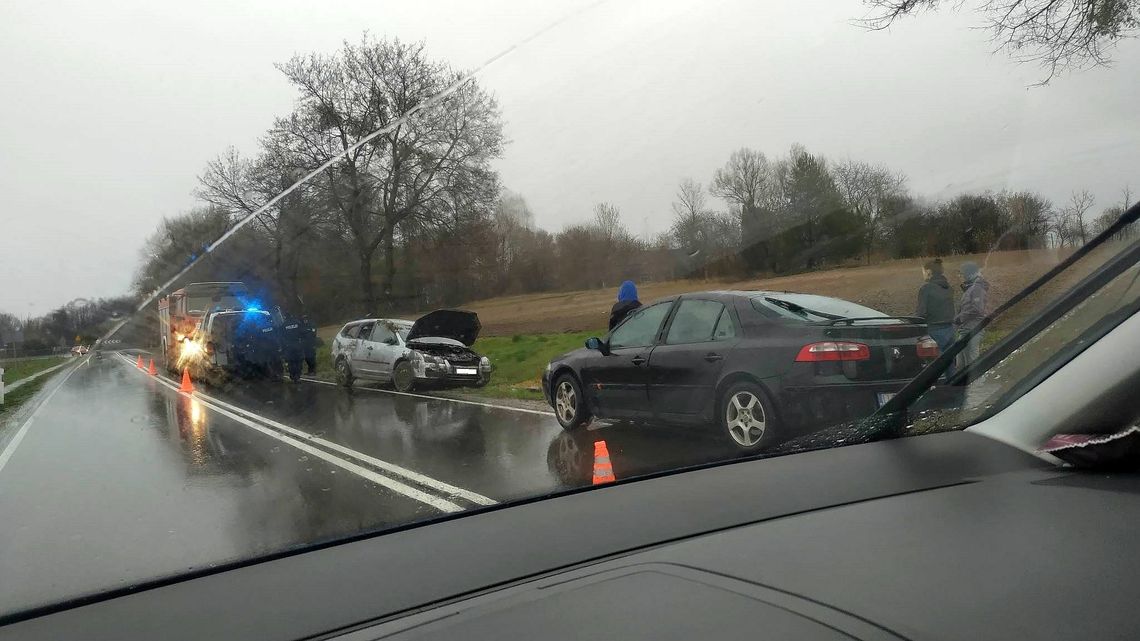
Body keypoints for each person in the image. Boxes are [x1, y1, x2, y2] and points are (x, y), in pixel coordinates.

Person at [915, 258, 955, 357]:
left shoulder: (926, 289)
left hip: (934, 331)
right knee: (949, 363)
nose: (923, 274)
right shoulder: (948, 287)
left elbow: (921, 313)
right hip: (950, 329)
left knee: (936, 364)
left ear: (929, 271)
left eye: (923, 272)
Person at [954, 261, 990, 369]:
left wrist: (960, 318)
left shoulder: (977, 288)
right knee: (960, 364)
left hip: (973, 329)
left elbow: (977, 309)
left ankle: (978, 385)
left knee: (972, 361)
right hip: (964, 329)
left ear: (968, 274)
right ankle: (963, 384)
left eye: (961, 273)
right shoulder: (970, 288)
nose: (959, 276)